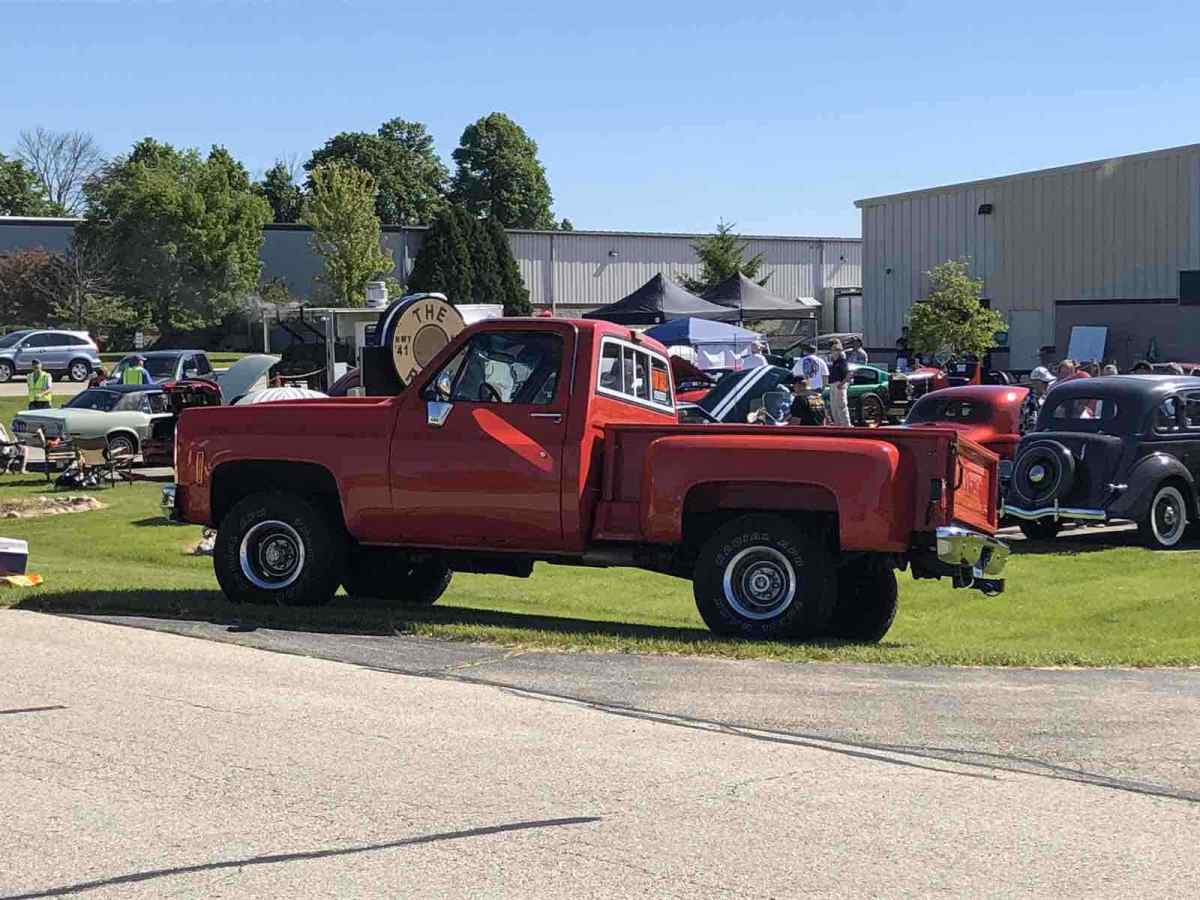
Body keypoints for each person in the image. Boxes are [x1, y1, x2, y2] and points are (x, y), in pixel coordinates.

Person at [1020, 366, 1054, 434]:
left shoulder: (1045, 397)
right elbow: (1032, 423)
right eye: (1045, 382)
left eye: (1047, 383)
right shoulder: (1029, 400)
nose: (1047, 385)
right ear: (1036, 383)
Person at [828, 339, 852, 426]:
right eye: (833, 350)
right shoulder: (834, 362)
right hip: (833, 384)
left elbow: (849, 374)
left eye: (836, 350)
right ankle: (837, 425)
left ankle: (846, 425)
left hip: (839, 384)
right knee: (834, 407)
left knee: (841, 406)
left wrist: (841, 384)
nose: (833, 352)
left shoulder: (842, 361)